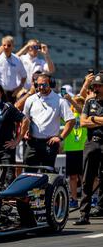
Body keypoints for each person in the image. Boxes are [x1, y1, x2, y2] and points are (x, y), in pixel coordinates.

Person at [21, 74, 75, 169]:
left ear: (50, 84)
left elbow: (71, 120)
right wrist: (24, 131)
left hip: (49, 144)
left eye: (44, 85)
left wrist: (61, 137)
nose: (41, 87)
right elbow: (25, 118)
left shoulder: (60, 101)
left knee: (48, 174)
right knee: (28, 173)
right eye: (38, 85)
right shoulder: (30, 100)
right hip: (32, 143)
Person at [75, 73, 103, 225]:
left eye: (99, 86)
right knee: (87, 179)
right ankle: (84, 214)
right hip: (92, 142)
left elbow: (88, 120)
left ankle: (100, 206)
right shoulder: (89, 101)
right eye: (95, 86)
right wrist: (96, 120)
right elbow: (83, 122)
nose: (96, 88)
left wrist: (92, 119)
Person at [63, 94, 87, 208]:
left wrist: (71, 100)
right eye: (77, 102)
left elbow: (81, 110)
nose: (77, 104)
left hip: (83, 149)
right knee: (72, 177)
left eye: (80, 102)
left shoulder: (84, 114)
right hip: (71, 149)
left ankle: (87, 199)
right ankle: (73, 199)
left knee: (85, 176)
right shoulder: (68, 116)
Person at [0, 36, 27, 104]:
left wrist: (19, 88)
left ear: (12, 46)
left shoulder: (17, 59)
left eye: (9, 45)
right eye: (4, 45)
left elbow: (24, 76)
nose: (6, 47)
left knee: (9, 114)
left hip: (11, 94)